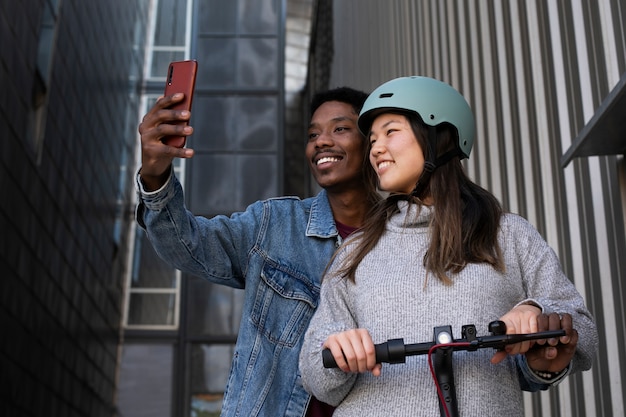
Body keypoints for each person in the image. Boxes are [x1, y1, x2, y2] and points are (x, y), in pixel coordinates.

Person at [298, 76, 598, 417]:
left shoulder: (508, 235)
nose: (375, 149)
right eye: (373, 140)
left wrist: (539, 319)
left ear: (439, 138)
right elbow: (313, 372)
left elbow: (583, 331)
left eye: (391, 132)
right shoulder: (356, 252)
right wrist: (335, 348)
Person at [135, 86, 380, 417]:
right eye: (312, 134)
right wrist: (155, 177)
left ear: (372, 143)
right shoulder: (274, 226)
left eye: (340, 128)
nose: (321, 141)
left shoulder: (403, 240)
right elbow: (187, 246)